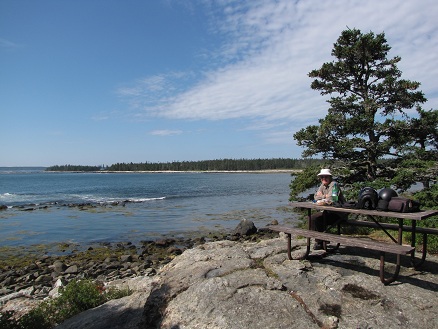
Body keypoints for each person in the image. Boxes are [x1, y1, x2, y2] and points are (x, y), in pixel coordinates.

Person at [311, 168, 346, 250]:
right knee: (312, 218)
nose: (324, 179)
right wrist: (324, 197)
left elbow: (332, 199)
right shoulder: (322, 185)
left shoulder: (334, 185)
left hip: (338, 213)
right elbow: (315, 197)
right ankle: (321, 241)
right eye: (322, 177)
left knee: (316, 219)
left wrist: (323, 196)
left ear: (330, 177)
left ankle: (320, 241)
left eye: (326, 177)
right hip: (328, 212)